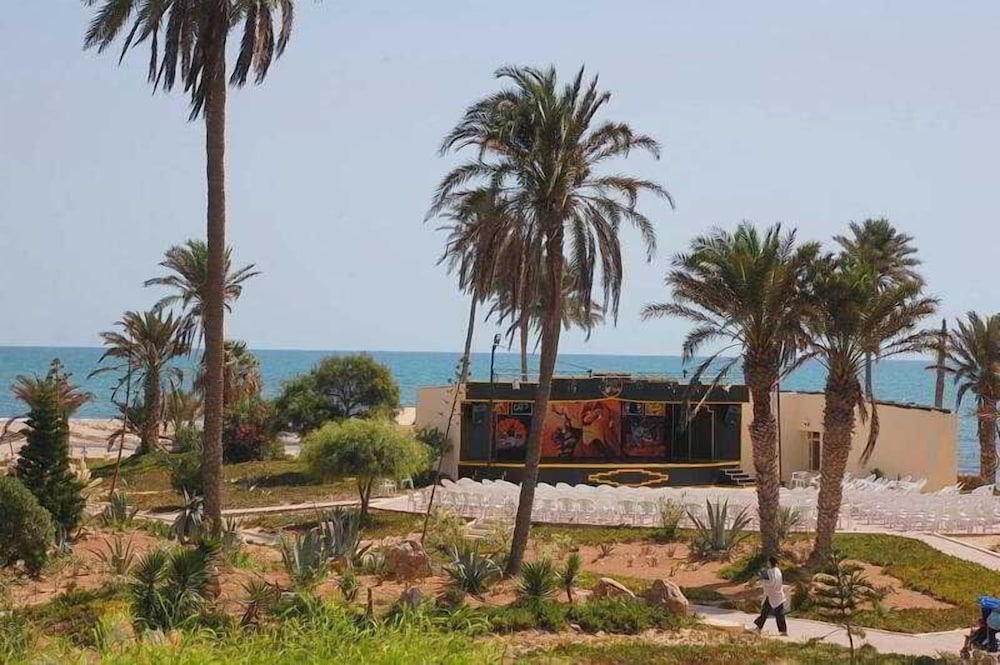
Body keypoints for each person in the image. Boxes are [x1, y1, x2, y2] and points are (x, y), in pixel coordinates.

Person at [749, 556, 788, 636]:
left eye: (768, 562)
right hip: (778, 594)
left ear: (770, 563)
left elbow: (772, 582)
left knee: (765, 612)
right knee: (778, 614)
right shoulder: (778, 570)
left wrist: (763, 582)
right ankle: (783, 631)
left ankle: (758, 628)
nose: (767, 563)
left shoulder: (770, 571)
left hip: (771, 595)